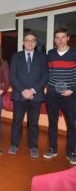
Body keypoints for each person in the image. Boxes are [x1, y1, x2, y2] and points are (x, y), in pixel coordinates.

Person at [8, 31, 48, 158]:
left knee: (34, 123)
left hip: (36, 96)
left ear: (35, 43)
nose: (29, 42)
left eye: (32, 40)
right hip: (19, 95)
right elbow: (12, 76)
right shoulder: (15, 56)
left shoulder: (42, 56)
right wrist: (23, 91)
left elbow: (45, 76)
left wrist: (32, 91)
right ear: (23, 42)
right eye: (27, 40)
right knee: (16, 122)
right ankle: (14, 144)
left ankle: (33, 146)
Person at [44, 28, 76, 164]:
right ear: (54, 39)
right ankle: (52, 149)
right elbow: (48, 72)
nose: (60, 40)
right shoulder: (50, 53)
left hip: (69, 95)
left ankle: (70, 152)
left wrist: (72, 89)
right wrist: (48, 89)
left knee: (71, 125)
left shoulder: (75, 53)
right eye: (57, 37)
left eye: (63, 37)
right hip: (52, 94)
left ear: (68, 38)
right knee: (52, 123)